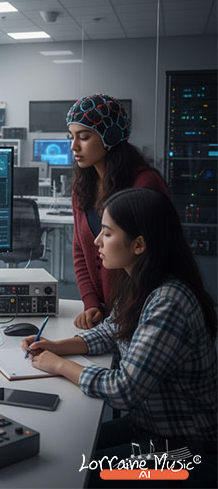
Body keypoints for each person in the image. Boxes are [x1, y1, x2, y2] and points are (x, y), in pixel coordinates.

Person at [22, 188, 217, 487]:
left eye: (108, 233)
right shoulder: (141, 283)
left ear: (139, 244)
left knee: (71, 476)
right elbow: (110, 331)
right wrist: (55, 347)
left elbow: (123, 389)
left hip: (183, 451)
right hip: (149, 427)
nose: (97, 241)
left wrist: (59, 366)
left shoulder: (169, 301)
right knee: (60, 452)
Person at [66, 94, 168, 329]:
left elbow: (155, 258)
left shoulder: (144, 184)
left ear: (110, 136)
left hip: (141, 311)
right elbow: (81, 250)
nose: (74, 146)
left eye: (84, 137)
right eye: (71, 137)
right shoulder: (81, 186)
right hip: (104, 315)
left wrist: (122, 314)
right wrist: (91, 302)